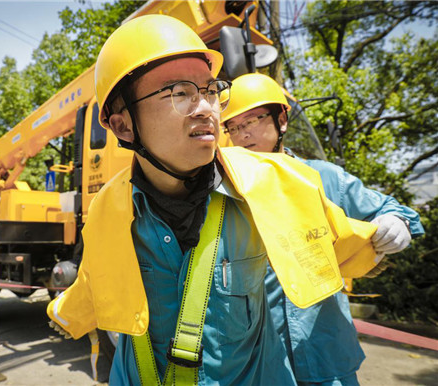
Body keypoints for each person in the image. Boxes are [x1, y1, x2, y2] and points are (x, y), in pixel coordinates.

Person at [48, 15, 385, 385]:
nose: (206, 108)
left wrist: (380, 234)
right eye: (179, 92)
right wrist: (67, 313)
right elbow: (98, 278)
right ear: (123, 126)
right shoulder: (107, 211)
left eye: (210, 90)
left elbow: (337, 239)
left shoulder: (270, 183)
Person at [221, 73, 424, 386]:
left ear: (282, 120)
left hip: (325, 350)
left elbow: (390, 209)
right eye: (233, 127)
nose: (242, 134)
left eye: (252, 121)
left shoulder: (324, 178)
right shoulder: (229, 192)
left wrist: (396, 222)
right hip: (262, 358)